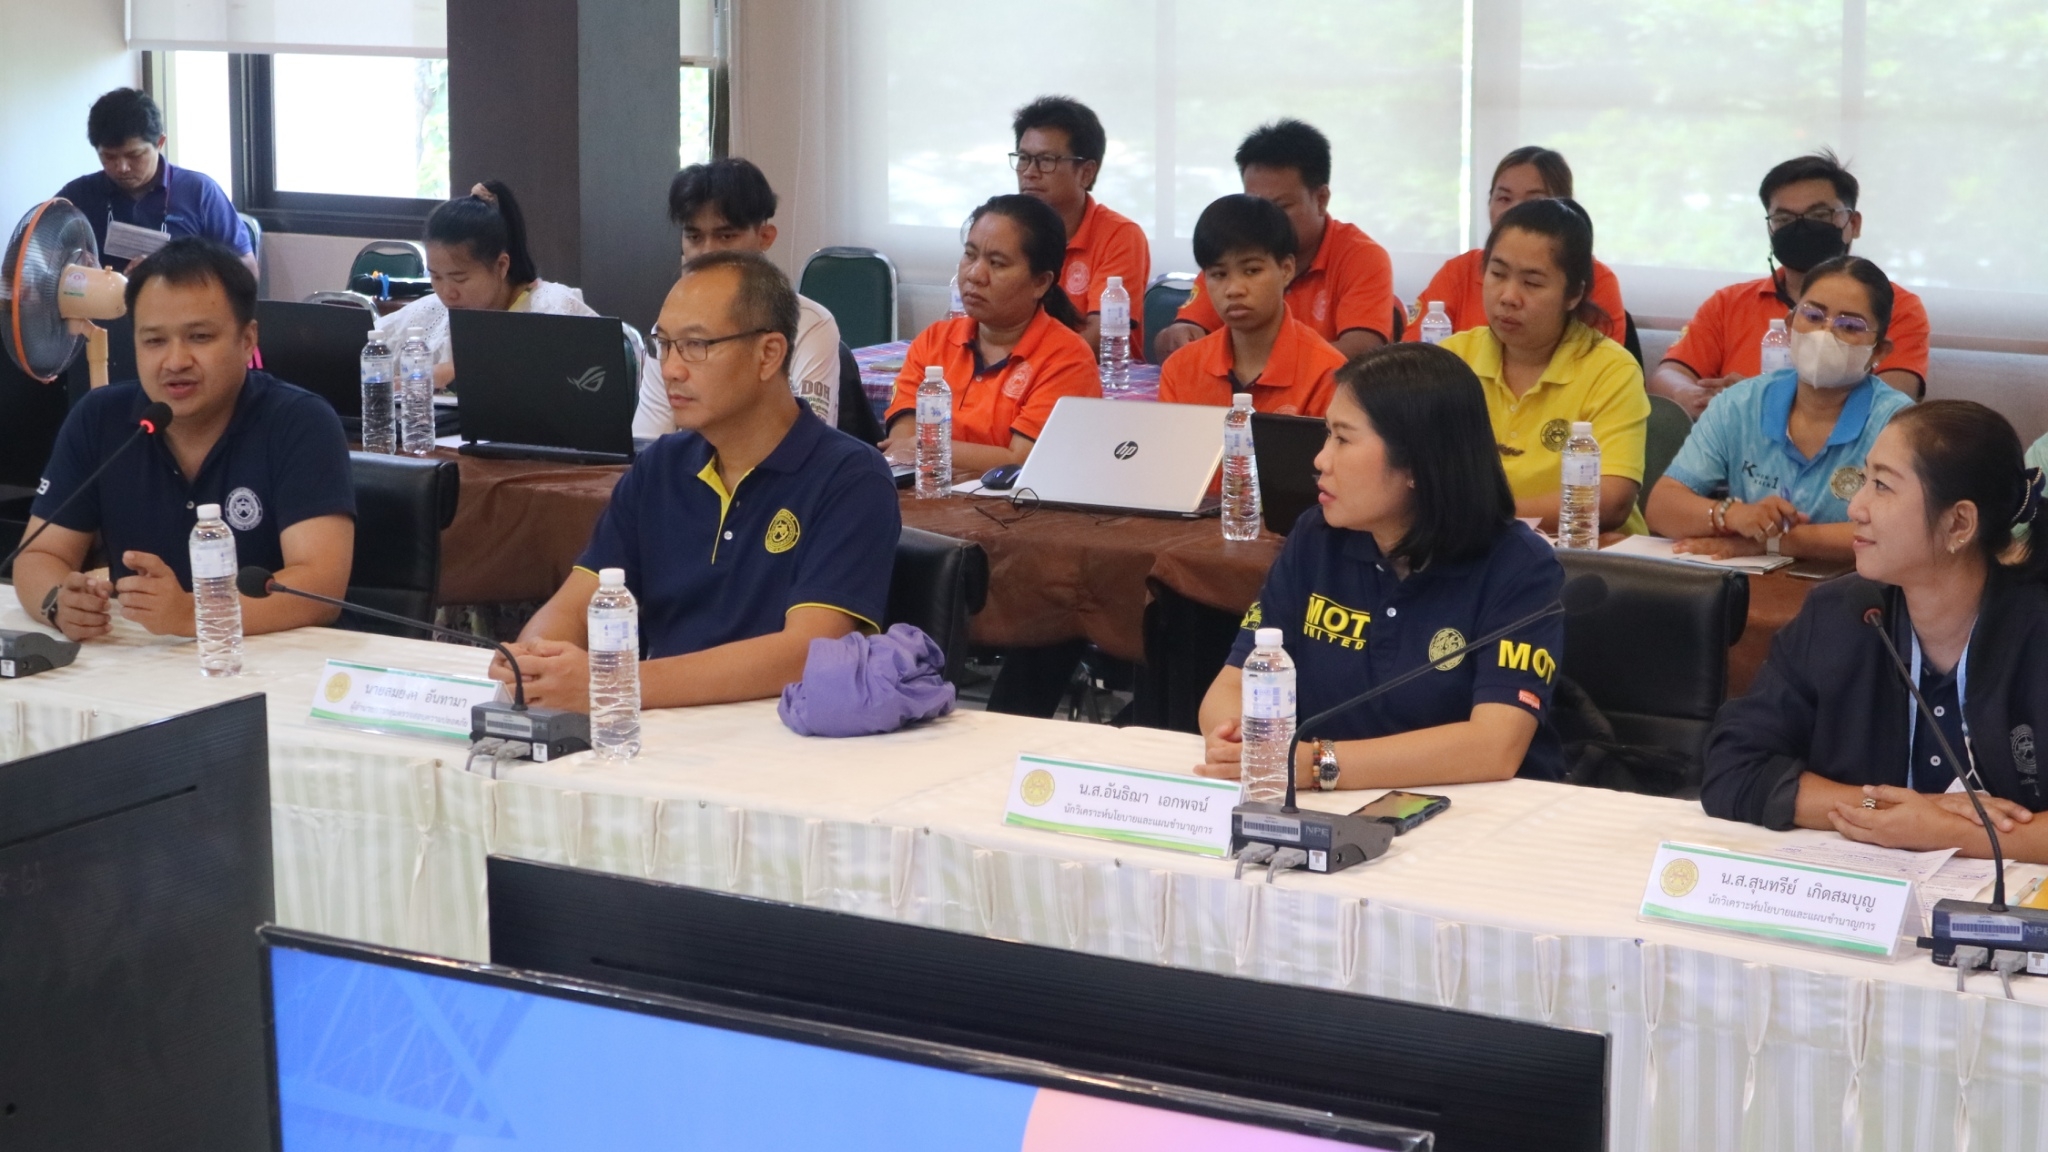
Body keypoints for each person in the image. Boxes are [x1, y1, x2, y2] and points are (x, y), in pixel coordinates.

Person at [489, 251, 900, 711]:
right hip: (660, 725)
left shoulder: (850, 477)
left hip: (779, 733)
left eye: (696, 345)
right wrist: (533, 659)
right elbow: (575, 606)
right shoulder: (661, 467)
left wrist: (615, 682)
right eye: (664, 344)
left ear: (768, 354)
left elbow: (807, 652)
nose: (671, 368)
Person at [1194, 343, 1568, 789]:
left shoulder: (1519, 567)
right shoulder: (1317, 537)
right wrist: (1238, 740)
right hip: (1329, 804)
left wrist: (1315, 765)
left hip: (1480, 812)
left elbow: (1494, 747)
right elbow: (1233, 684)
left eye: (1343, 439)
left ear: (1416, 464)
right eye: (1327, 434)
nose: (1320, 460)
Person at [1701, 401, 2048, 862]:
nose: (1856, 507)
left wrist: (1951, 832)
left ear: (1959, 523)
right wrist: (1886, 810)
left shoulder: (2035, 629)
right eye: (1864, 480)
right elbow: (1733, 767)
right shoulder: (1842, 614)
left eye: (1882, 486)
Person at [13, 238, 355, 640]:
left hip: (272, 659)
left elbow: (319, 587)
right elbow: (40, 554)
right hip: (143, 661)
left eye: (199, 337)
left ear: (247, 341)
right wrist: (59, 603)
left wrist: (195, 615)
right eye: (154, 341)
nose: (175, 361)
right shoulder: (99, 419)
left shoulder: (300, 422)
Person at [1647, 256, 1915, 564]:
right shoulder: (1739, 404)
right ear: (1789, 326)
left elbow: (1900, 532)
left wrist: (1774, 542)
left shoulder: (1897, 423)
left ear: (1879, 350)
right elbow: (1662, 508)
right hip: (1756, 581)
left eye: (1850, 325)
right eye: (1813, 315)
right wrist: (1731, 515)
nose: (1825, 333)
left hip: (1858, 585)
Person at [1653, 150, 1930, 416]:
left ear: (1853, 224)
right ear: (1770, 228)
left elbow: (1893, 402)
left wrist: (1759, 400)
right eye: (1783, 219)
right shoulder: (1728, 303)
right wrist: (1692, 396)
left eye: (1819, 215)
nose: (1801, 227)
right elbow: (1667, 376)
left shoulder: (1897, 306)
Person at [1438, 198, 1650, 535]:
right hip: (1470, 549)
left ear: (1574, 294)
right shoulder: (1451, 359)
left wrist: (1483, 516)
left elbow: (1611, 501)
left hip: (1581, 557)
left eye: (1532, 283)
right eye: (1497, 274)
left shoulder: (1611, 369)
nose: (1508, 296)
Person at [374, 181, 657, 400]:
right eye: (436, 277)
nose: (447, 292)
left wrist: (460, 369)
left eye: (459, 278)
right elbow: (372, 344)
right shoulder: (433, 310)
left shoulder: (552, 306)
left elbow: (592, 376)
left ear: (501, 265)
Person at [881, 194, 1101, 474]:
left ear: (1041, 283)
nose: (975, 274)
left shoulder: (1067, 359)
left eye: (997, 263)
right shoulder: (934, 340)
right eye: (970, 255)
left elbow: (1023, 460)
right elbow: (902, 443)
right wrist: (925, 449)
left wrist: (924, 447)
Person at [1154, 120, 1399, 362]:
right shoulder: (1233, 251)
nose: (1264, 219)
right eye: (1255, 205)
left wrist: (1259, 364)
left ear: (1321, 199)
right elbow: (1185, 334)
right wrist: (1176, 336)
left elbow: (1361, 352)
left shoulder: (1361, 256)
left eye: (1281, 206)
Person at [635, 158, 844, 435]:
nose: (707, 253)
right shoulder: (669, 330)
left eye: (726, 237)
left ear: (765, 237)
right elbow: (648, 439)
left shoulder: (809, 323)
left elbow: (809, 439)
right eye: (695, 237)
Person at [1407, 147, 1627, 345]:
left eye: (1534, 202)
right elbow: (1413, 358)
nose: (1515, 212)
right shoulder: (1458, 271)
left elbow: (1598, 363)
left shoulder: (1597, 280)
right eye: (1504, 199)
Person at [1158, 194, 1345, 416]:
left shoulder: (1328, 373)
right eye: (1219, 274)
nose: (1234, 289)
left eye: (1252, 271)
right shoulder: (1180, 369)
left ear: (1286, 270)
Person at [55, 88, 256, 276]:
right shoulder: (77, 196)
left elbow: (247, 269)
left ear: (160, 142)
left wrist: (178, 270)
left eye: (134, 155)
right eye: (109, 157)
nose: (122, 167)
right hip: (98, 302)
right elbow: (39, 256)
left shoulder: (200, 192)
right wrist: (69, 264)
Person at [1011, 96, 1150, 359]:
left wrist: (1034, 368)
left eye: (1046, 160)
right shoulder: (1007, 230)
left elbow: (1101, 336)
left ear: (1086, 172)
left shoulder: (1119, 235)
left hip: (1093, 375)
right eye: (1023, 158)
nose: (1029, 172)